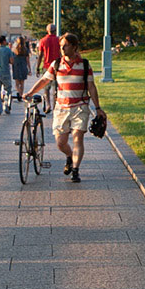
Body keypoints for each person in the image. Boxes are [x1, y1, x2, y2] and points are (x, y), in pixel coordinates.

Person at [27, 31, 102, 183]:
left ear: (74, 47)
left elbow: (91, 87)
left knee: (77, 138)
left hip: (80, 107)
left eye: (65, 46)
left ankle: (75, 170)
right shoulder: (56, 64)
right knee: (60, 142)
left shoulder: (84, 65)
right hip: (61, 108)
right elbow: (44, 81)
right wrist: (30, 92)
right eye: (61, 46)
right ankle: (69, 156)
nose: (62, 48)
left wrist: (98, 108)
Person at [36, 23, 62, 110]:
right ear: (55, 30)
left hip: (47, 66)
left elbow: (40, 55)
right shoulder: (59, 40)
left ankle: (48, 104)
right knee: (55, 87)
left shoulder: (43, 40)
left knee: (46, 87)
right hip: (57, 66)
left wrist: (37, 67)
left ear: (47, 31)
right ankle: (55, 105)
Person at [0, 35, 15, 114]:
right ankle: (6, 106)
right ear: (4, 41)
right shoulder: (8, 50)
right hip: (6, 73)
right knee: (7, 90)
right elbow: (12, 61)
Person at [10, 35, 31, 101]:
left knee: (17, 83)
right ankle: (21, 95)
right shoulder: (25, 50)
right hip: (23, 66)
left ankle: (19, 93)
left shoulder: (14, 50)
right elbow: (27, 60)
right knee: (22, 83)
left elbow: (12, 59)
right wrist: (29, 69)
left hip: (16, 66)